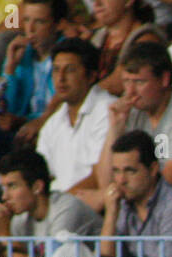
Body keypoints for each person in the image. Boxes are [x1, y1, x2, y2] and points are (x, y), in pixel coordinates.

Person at [101, 128, 172, 257]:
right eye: (116, 171)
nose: (121, 180)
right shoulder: (121, 205)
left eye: (130, 171)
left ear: (153, 169)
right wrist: (111, 215)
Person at [0, 148, 102, 257]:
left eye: (12, 186)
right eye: (4, 187)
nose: (4, 196)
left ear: (37, 187)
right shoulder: (19, 221)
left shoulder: (67, 209)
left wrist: (5, 236)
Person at [98, 42, 172, 190]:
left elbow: (171, 179)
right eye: (126, 82)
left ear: (164, 79)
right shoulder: (132, 110)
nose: (130, 92)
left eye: (139, 82)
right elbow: (106, 183)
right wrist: (115, 128)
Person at [36, 38, 112, 209]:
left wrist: (56, 207)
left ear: (91, 76)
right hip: (60, 207)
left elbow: (99, 177)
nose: (60, 79)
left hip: (91, 208)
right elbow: (41, 176)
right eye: (56, 70)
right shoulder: (53, 123)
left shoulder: (107, 110)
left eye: (70, 70)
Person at [0, 0, 66, 141]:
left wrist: (23, 120)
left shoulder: (67, 55)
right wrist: (10, 70)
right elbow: (6, 110)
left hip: (55, 133)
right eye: (26, 20)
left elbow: (63, 107)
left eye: (39, 22)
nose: (30, 29)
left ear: (58, 25)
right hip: (22, 134)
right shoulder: (21, 55)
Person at [89, 0, 168, 97]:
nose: (97, 3)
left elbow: (117, 84)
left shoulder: (146, 38)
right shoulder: (94, 38)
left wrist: (81, 97)